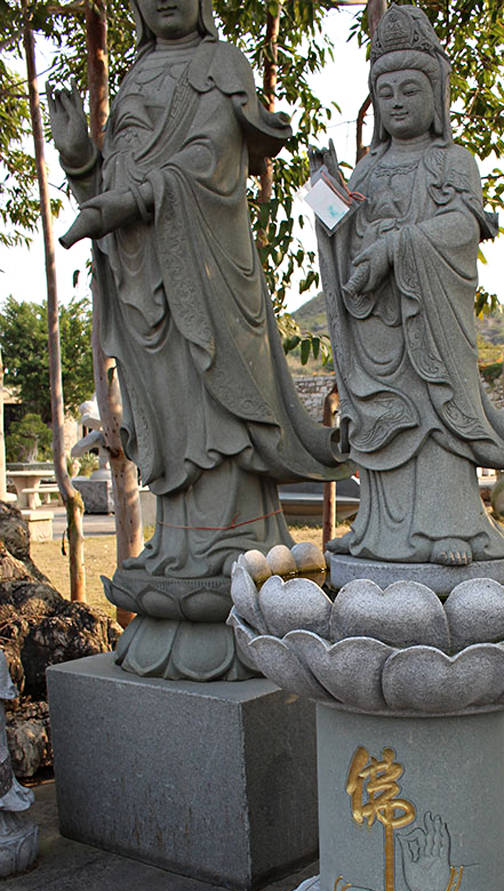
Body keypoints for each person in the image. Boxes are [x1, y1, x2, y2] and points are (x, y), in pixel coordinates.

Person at [49, 0, 344, 583]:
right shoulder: (134, 76)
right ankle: (180, 542)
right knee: (170, 409)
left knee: (219, 407)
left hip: (208, 271)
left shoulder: (220, 64)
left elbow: (208, 161)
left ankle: (240, 541)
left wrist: (127, 202)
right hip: (143, 279)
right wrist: (81, 157)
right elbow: (110, 188)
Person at [315, 4, 504, 567]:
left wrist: (397, 246)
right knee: (389, 418)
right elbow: (345, 232)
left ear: (437, 97)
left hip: (431, 316)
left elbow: (462, 227)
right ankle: (378, 529)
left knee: (435, 416)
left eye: (411, 89)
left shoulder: (454, 161)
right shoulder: (367, 169)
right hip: (380, 323)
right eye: (386, 94)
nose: (398, 102)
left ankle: (450, 525)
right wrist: (324, 191)